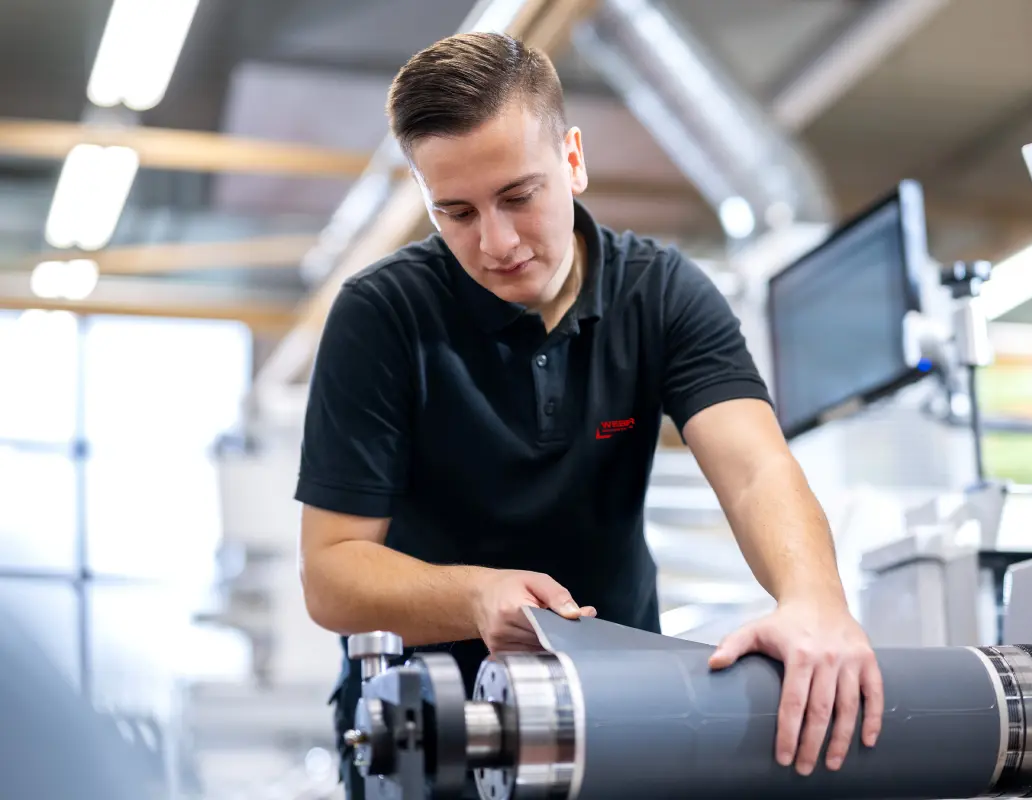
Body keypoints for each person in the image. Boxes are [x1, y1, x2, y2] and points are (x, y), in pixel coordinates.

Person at [296, 31, 883, 799]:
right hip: (423, 735)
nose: (496, 242)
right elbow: (332, 571)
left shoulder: (662, 293)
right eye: (456, 212)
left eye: (518, 196)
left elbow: (754, 469)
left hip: (622, 716)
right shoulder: (382, 316)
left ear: (572, 159)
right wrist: (476, 597)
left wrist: (813, 602)